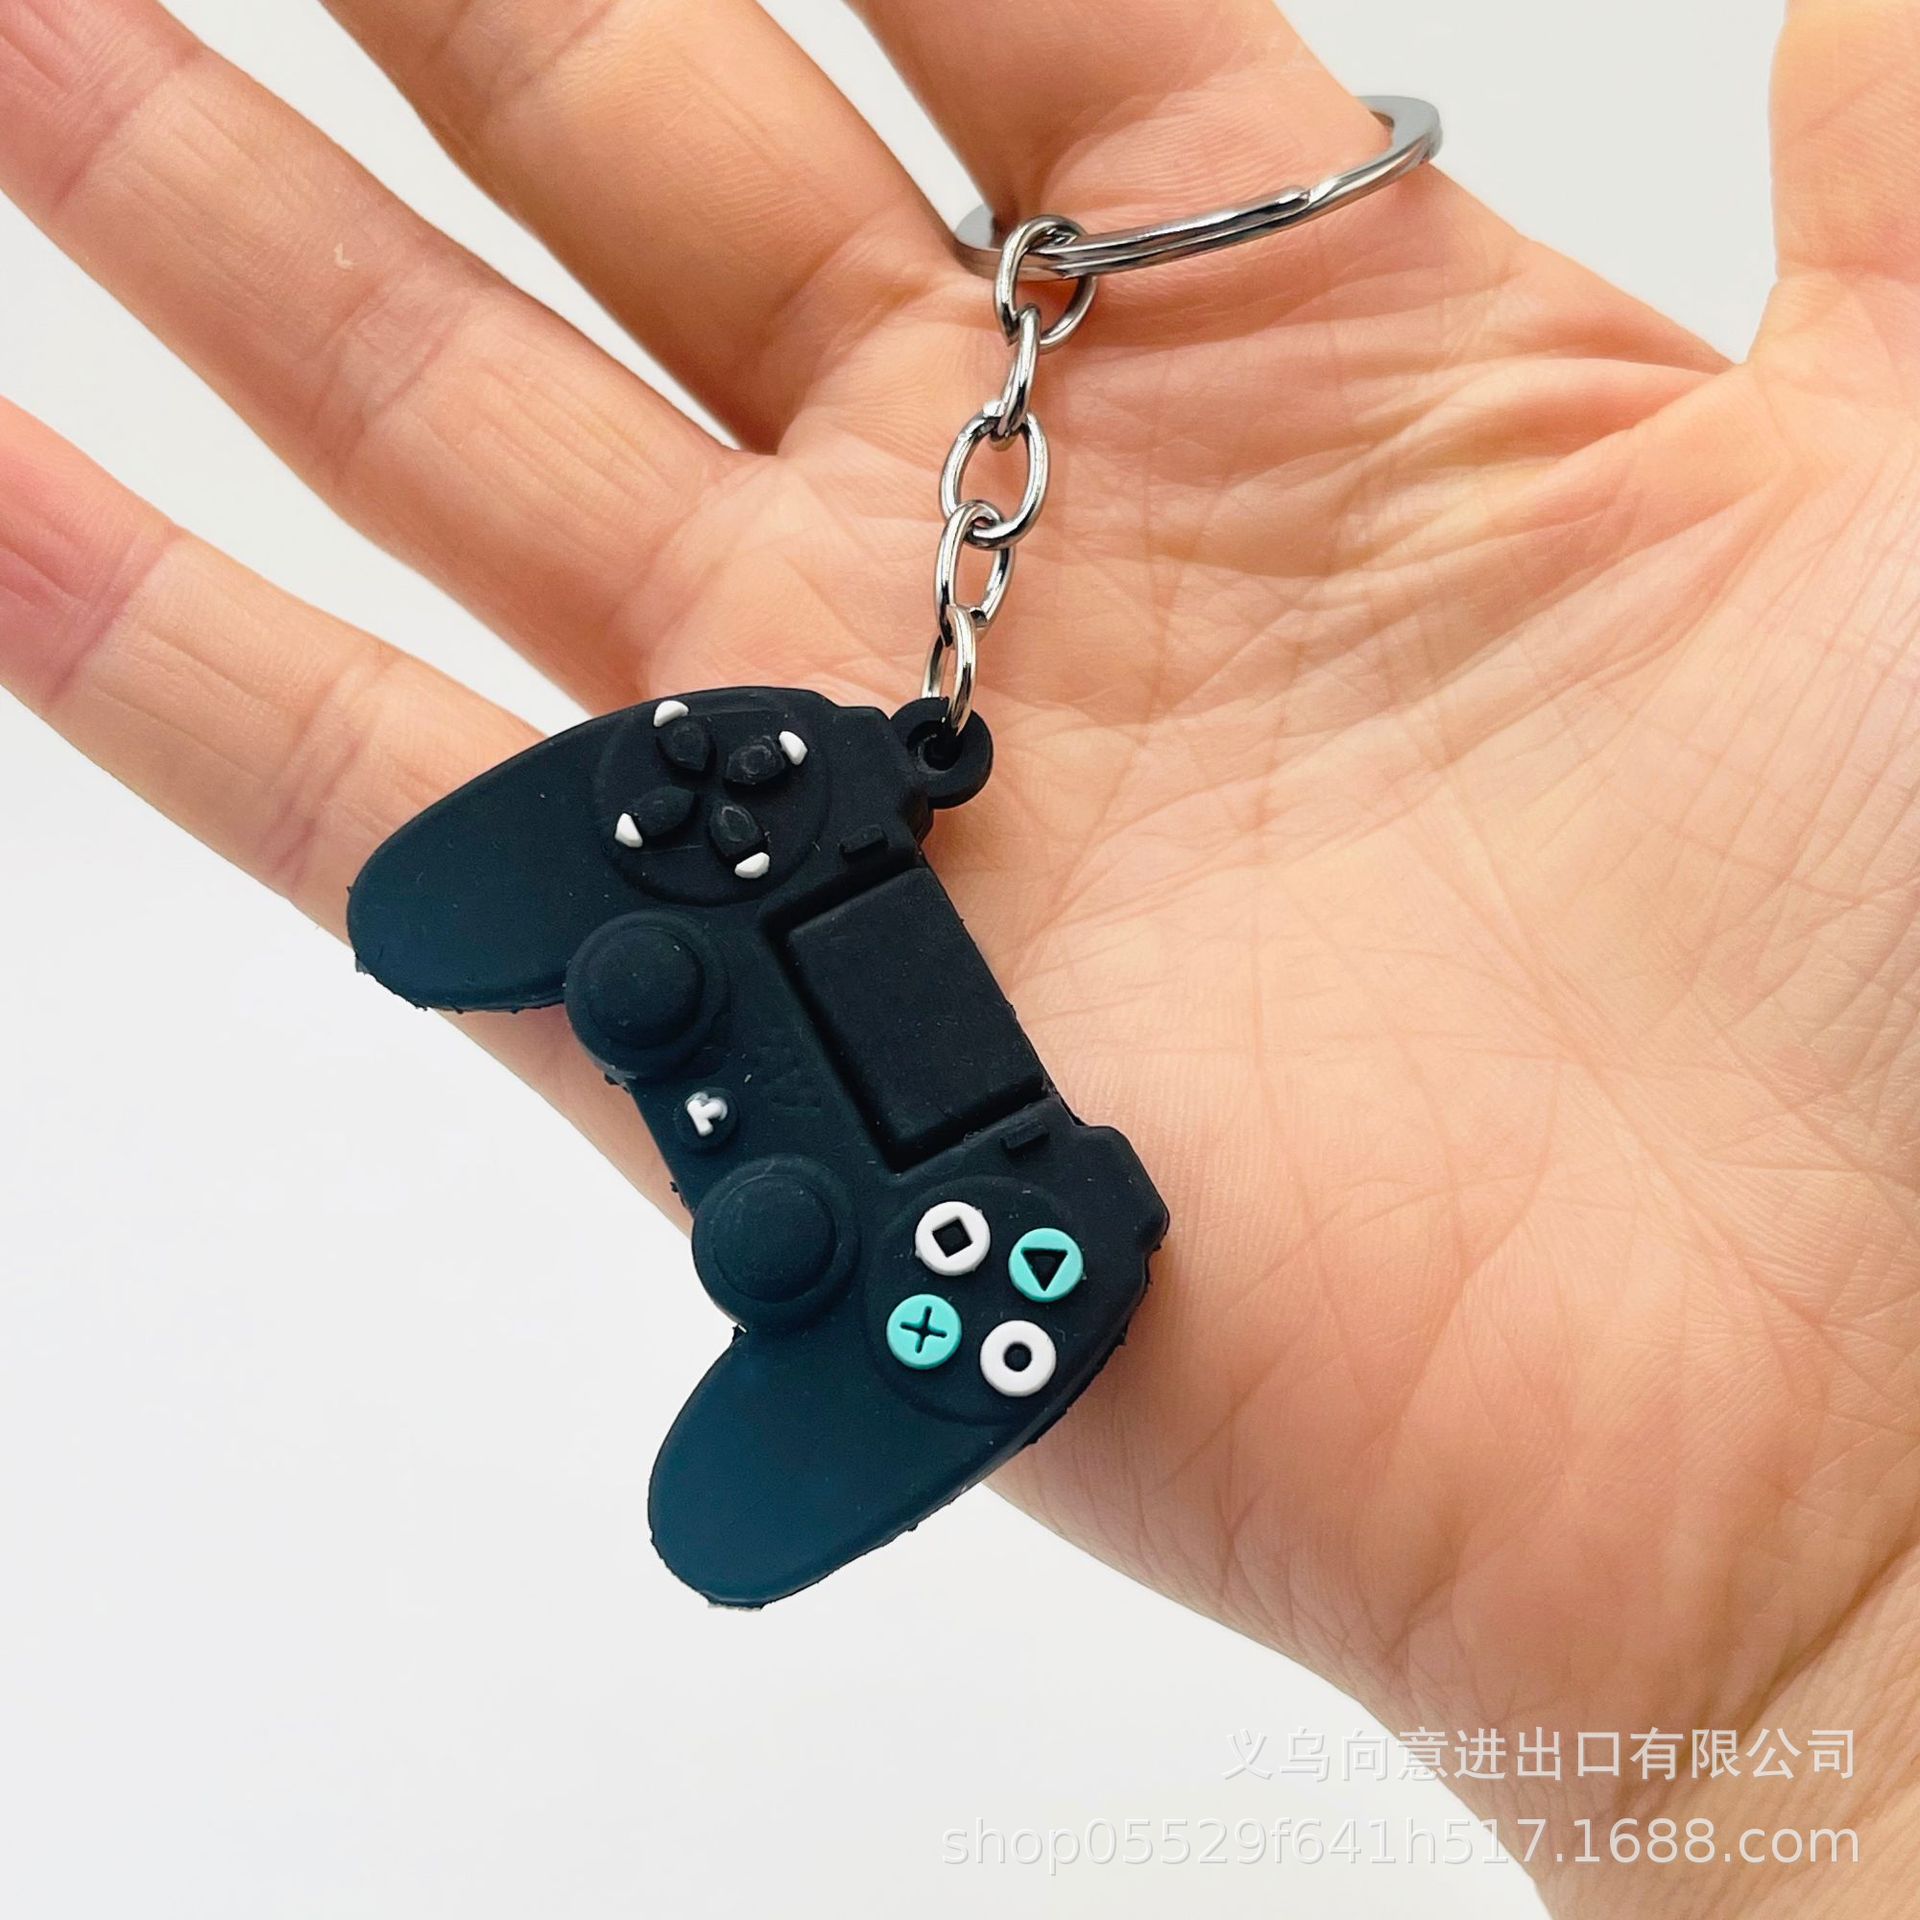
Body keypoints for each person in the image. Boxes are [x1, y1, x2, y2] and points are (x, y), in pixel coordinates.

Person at [1, 0, 1915, 1906]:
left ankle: (814, 1140)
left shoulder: (792, 813)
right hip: (876, 1043)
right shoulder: (797, 798)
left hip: (889, 1065)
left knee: (786, 1081)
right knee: (779, 1081)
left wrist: (1844, 1672)